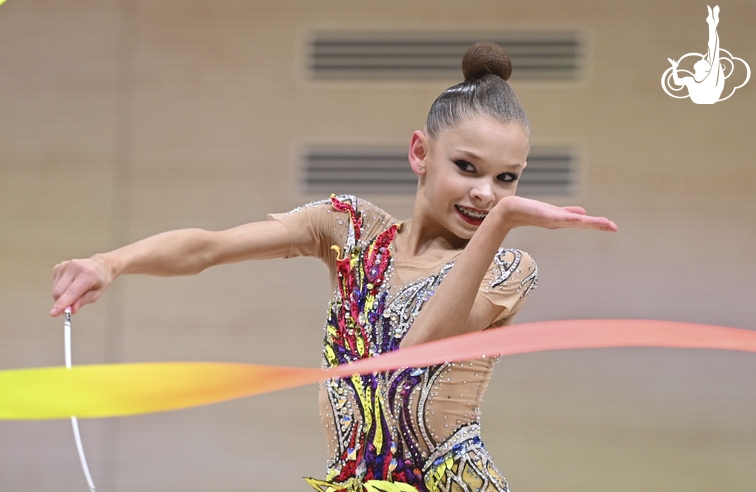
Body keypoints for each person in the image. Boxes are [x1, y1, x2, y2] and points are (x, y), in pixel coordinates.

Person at [50, 42, 616, 492]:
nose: (485, 195)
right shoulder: (348, 229)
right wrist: (109, 262)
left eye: (506, 179)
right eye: (467, 167)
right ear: (420, 152)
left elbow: (414, 354)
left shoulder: (508, 267)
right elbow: (208, 248)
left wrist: (500, 224)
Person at [668, 5, 724, 104]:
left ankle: (712, 23)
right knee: (713, 52)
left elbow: (713, 49)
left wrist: (674, 68)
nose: (700, 59)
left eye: (702, 61)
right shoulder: (691, 80)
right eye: (703, 61)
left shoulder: (708, 77)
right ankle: (712, 23)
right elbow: (676, 82)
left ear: (705, 69)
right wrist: (674, 67)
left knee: (713, 51)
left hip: (708, 96)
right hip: (706, 97)